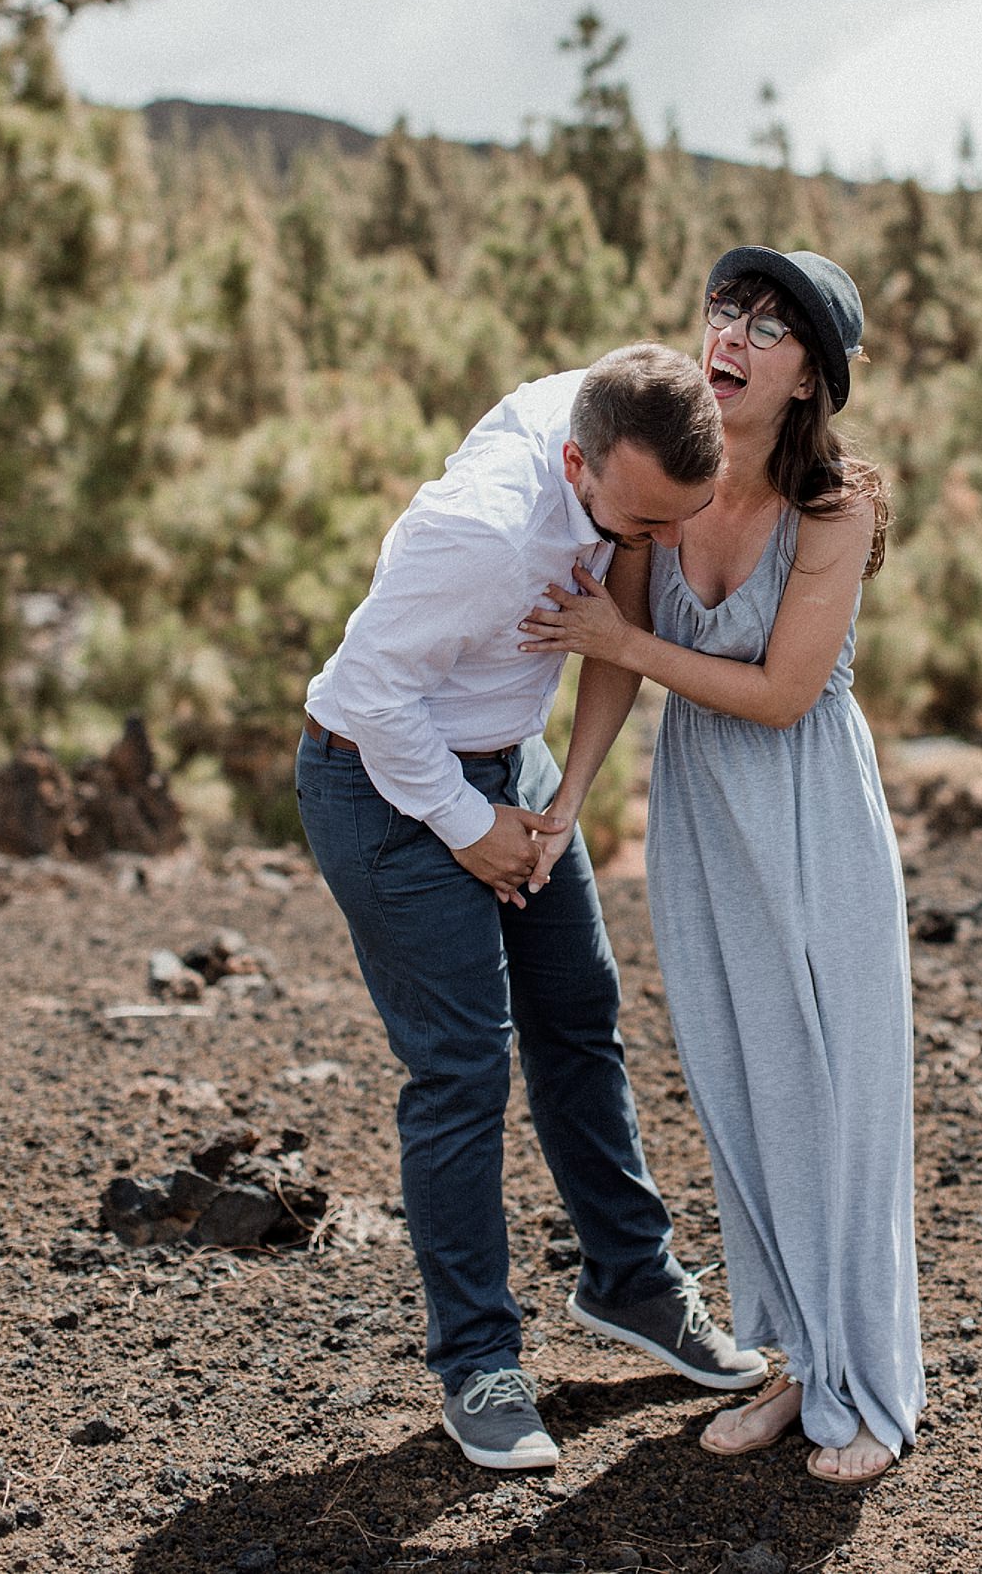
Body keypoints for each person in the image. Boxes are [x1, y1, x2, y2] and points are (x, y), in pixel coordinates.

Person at [297, 344, 768, 1474]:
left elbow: (617, 623)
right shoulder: (481, 529)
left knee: (580, 1013)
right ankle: (479, 1362)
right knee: (463, 1062)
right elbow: (365, 693)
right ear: (575, 463)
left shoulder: (639, 444)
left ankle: (633, 1281)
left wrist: (559, 801)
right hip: (383, 782)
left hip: (509, 761)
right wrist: (469, 824)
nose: (655, 545)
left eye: (678, 522)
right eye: (640, 523)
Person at [521, 246, 921, 1485]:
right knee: (746, 1090)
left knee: (837, 1097)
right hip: (700, 822)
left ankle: (867, 1386)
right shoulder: (675, 480)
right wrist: (572, 797)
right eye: (724, 308)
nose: (731, 332)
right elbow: (616, 661)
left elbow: (784, 689)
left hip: (810, 819)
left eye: (769, 324)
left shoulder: (836, 507)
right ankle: (796, 1360)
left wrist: (622, 631)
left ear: (808, 378)